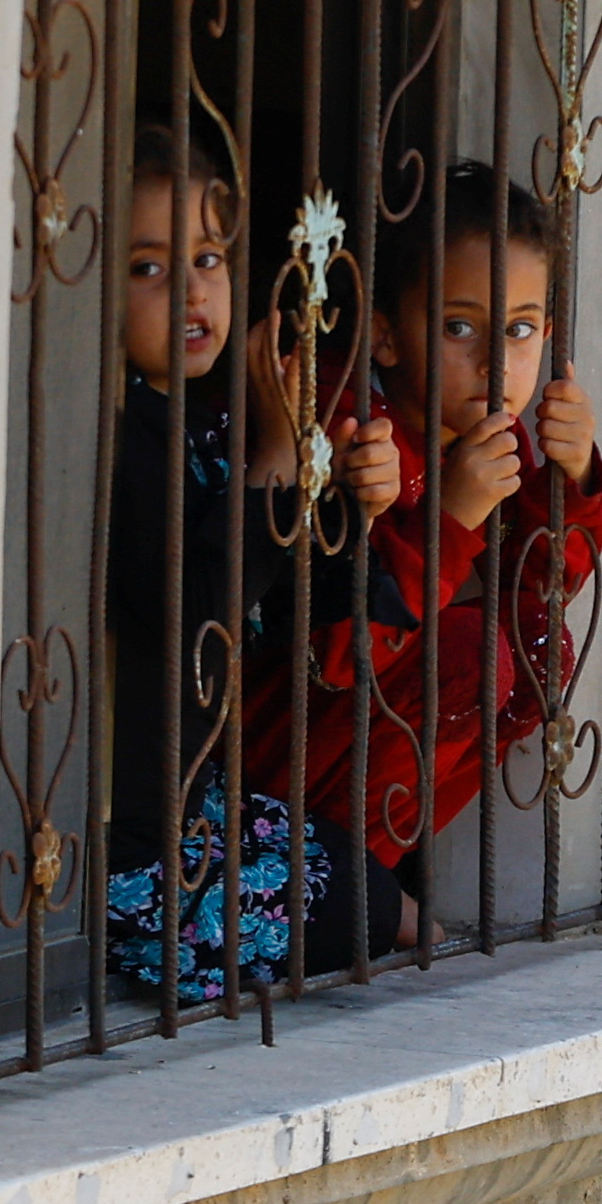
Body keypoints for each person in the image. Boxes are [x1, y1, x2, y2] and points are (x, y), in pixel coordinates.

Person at [95, 128, 404, 1002]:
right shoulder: (112, 436)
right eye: (149, 267)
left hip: (202, 813)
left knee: (354, 861)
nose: (192, 289)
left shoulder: (216, 420)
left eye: (208, 257)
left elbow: (326, 602)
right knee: (361, 902)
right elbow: (190, 607)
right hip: (121, 847)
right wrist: (274, 460)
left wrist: (348, 496)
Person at [245, 161, 602, 895]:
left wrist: (568, 481)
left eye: (522, 329)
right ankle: (336, 881)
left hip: (355, 760)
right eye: (460, 326)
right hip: (266, 746)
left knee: (539, 646)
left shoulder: (484, 437)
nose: (495, 361)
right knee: (473, 652)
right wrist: (452, 515)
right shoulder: (355, 436)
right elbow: (347, 648)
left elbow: (541, 582)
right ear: (384, 336)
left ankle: (362, 876)